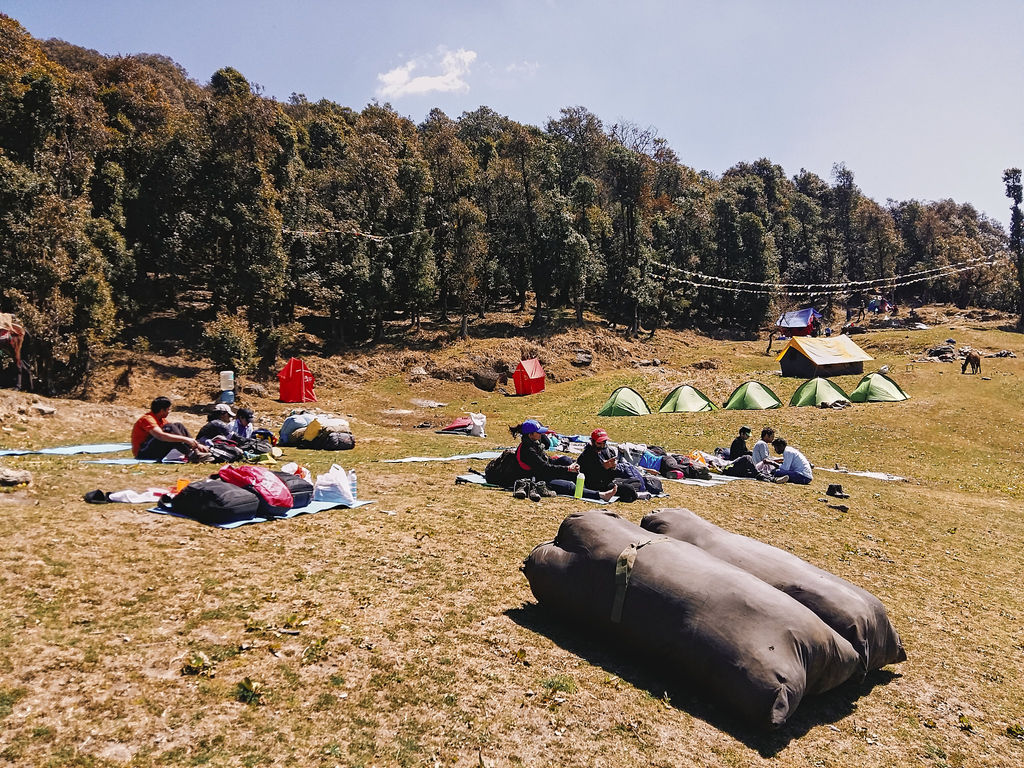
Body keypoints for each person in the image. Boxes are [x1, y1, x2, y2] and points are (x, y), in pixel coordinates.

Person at [509, 420, 615, 501]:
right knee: (569, 486)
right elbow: (544, 468)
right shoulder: (528, 450)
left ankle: (590, 483)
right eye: (539, 432)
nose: (541, 435)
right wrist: (567, 469)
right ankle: (600, 495)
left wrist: (566, 464)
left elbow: (547, 448)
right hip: (538, 477)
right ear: (530, 434)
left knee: (566, 459)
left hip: (545, 468)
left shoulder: (533, 442)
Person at [577, 429, 645, 501]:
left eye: (604, 443)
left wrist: (613, 467)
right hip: (597, 485)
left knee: (636, 481)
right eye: (599, 443)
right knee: (629, 488)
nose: (602, 446)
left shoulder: (607, 451)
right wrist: (603, 468)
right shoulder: (587, 455)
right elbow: (591, 479)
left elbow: (612, 473)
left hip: (609, 481)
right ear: (592, 441)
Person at [131, 396, 207, 460]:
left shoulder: (162, 420)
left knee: (178, 425)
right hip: (143, 454)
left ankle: (196, 450)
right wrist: (186, 440)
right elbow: (160, 436)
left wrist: (197, 444)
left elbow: (174, 432)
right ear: (162, 410)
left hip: (152, 450)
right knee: (170, 428)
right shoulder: (147, 419)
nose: (169, 412)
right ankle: (192, 454)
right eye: (168, 409)